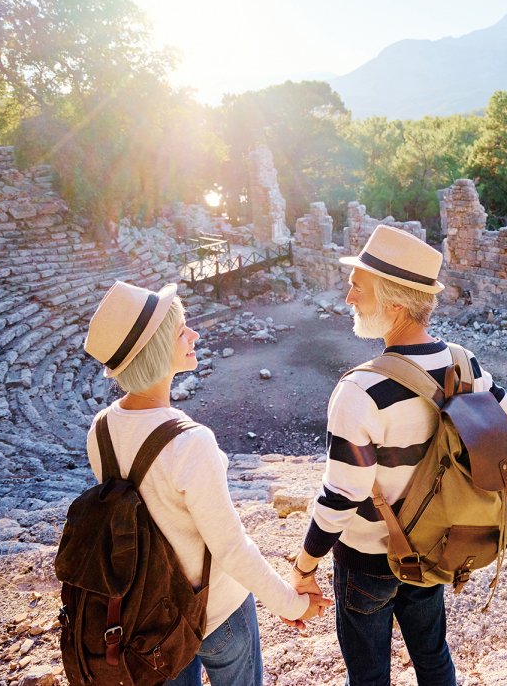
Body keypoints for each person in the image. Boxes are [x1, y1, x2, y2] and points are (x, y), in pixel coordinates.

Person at [288, 225, 507, 686]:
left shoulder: (359, 389)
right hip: (434, 546)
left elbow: (343, 495)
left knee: (368, 677)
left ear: (394, 303)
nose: (348, 299)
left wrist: (304, 566)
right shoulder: (463, 362)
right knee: (433, 656)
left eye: (357, 289)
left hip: (367, 561)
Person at [83, 280, 331, 685]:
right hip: (215, 615)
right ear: (159, 351)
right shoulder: (190, 442)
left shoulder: (101, 430)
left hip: (148, 616)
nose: (194, 335)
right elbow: (229, 547)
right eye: (182, 330)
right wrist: (290, 602)